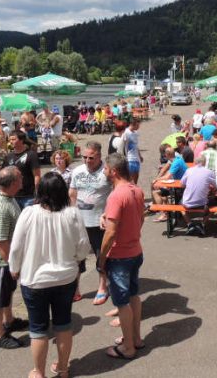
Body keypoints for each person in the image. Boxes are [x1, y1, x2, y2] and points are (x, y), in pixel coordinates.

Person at [9, 173, 91, 378]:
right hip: (65, 277)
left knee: (38, 329)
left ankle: (39, 371)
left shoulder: (28, 213)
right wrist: (75, 258)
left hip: (35, 280)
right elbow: (83, 247)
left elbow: (16, 246)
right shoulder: (73, 214)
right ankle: (63, 368)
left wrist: (14, 267)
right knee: (63, 324)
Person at [98, 153, 145, 360]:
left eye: (106, 168)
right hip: (135, 251)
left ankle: (128, 347)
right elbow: (139, 218)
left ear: (113, 171)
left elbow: (110, 231)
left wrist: (101, 257)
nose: (104, 171)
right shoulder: (136, 189)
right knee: (134, 295)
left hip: (120, 256)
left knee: (122, 302)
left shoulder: (116, 195)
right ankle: (135, 338)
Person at [0, 166, 29, 349]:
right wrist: (13, 266)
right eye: (20, 178)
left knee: (7, 292)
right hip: (1, 261)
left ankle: (9, 321)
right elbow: (1, 242)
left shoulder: (5, 196)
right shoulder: (2, 207)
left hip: (5, 259)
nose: (22, 181)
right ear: (12, 183)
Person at [69, 141, 113, 306]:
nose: (87, 160)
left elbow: (115, 193)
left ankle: (102, 286)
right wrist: (71, 213)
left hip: (98, 222)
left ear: (99, 156)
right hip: (79, 222)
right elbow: (72, 193)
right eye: (84, 157)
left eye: (91, 158)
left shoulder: (107, 172)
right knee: (76, 257)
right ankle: (75, 289)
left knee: (101, 256)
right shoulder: (77, 171)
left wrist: (108, 213)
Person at [179, 154, 217, 234]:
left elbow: (181, 185)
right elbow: (216, 185)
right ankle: (202, 223)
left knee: (179, 204)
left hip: (187, 203)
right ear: (205, 162)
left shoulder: (188, 171)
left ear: (194, 162)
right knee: (216, 204)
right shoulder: (209, 172)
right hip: (203, 204)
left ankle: (189, 223)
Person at [5, 130, 41, 208]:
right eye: (10, 140)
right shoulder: (8, 156)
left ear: (21, 140)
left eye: (13, 139)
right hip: (13, 196)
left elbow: (37, 175)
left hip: (28, 196)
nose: (11, 142)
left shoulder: (31, 155)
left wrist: (37, 192)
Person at [121, 118, 143, 184]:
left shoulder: (135, 133)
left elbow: (136, 145)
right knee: (130, 180)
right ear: (133, 124)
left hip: (136, 159)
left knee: (136, 179)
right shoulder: (126, 133)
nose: (139, 127)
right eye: (137, 125)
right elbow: (122, 145)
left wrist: (140, 155)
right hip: (129, 159)